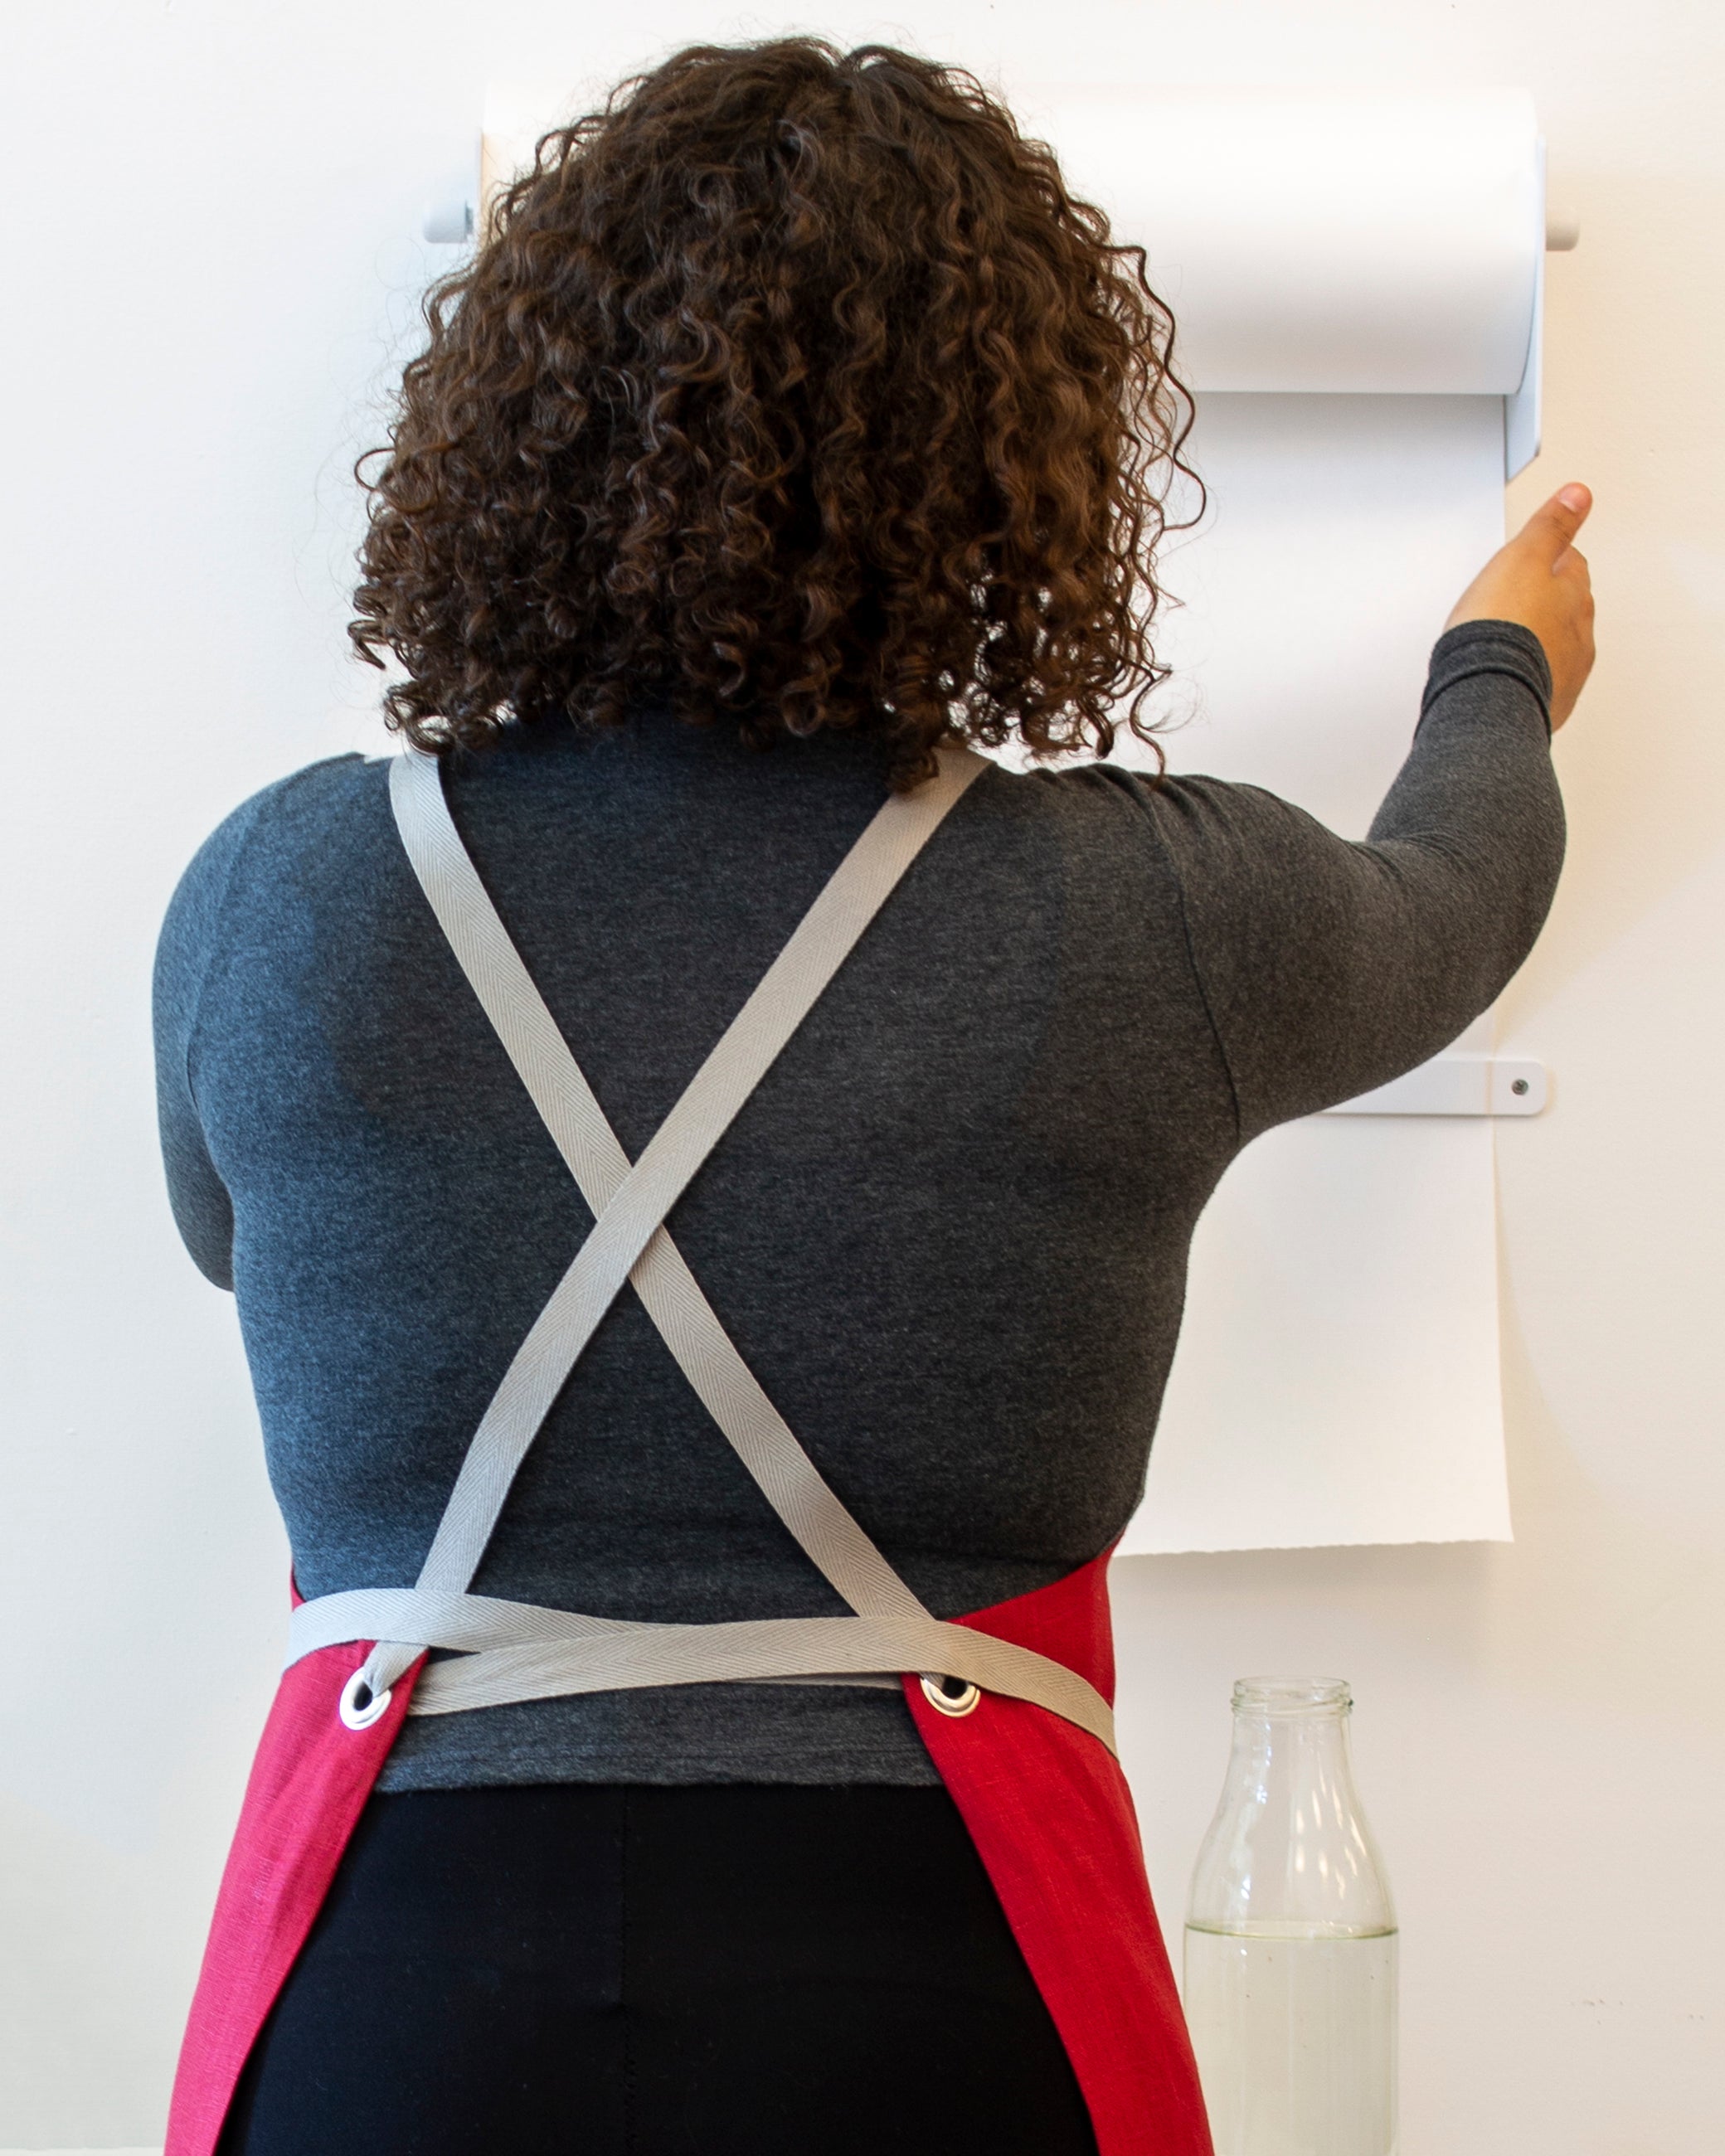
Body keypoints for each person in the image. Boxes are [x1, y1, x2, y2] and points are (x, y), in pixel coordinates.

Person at [152, 38, 1591, 2156]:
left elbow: (228, 1242)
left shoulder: (278, 896)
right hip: (927, 2004)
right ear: (1009, 459)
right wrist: (1504, 662)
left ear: (515, 431)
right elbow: (1453, 897)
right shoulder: (1145, 909)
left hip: (399, 2003)